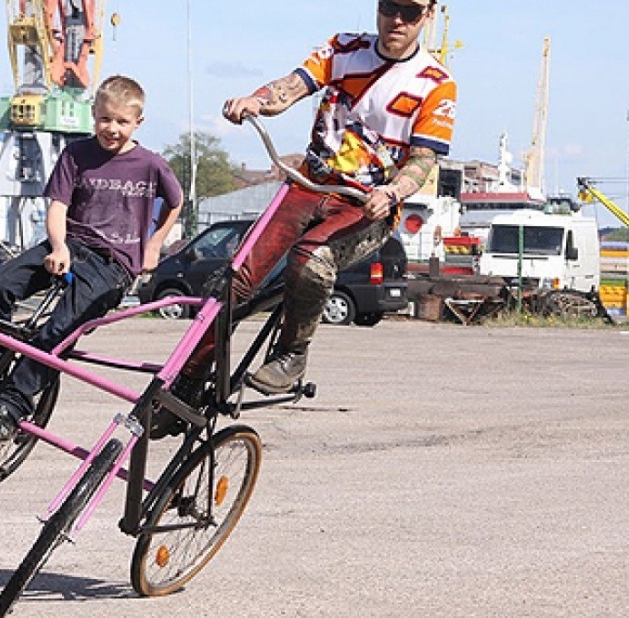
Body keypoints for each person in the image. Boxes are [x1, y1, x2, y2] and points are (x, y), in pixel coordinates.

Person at [158, 0, 456, 431]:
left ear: (428, 15)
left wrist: (393, 192)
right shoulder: (345, 48)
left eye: (410, 12)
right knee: (230, 282)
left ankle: (291, 354)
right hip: (309, 183)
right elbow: (292, 87)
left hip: (366, 204)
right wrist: (256, 101)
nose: (397, 20)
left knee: (312, 259)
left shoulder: (435, 84)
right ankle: (187, 385)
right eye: (390, 6)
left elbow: (424, 158)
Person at [0, 74, 183, 443]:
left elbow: (175, 203)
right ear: (93, 114)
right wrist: (59, 246)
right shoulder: (76, 154)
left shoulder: (151, 165)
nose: (111, 128)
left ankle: (11, 407)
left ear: (137, 122)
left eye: (121, 121)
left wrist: (153, 245)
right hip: (71, 243)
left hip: (112, 264)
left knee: (60, 328)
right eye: (104, 119)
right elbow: (57, 208)